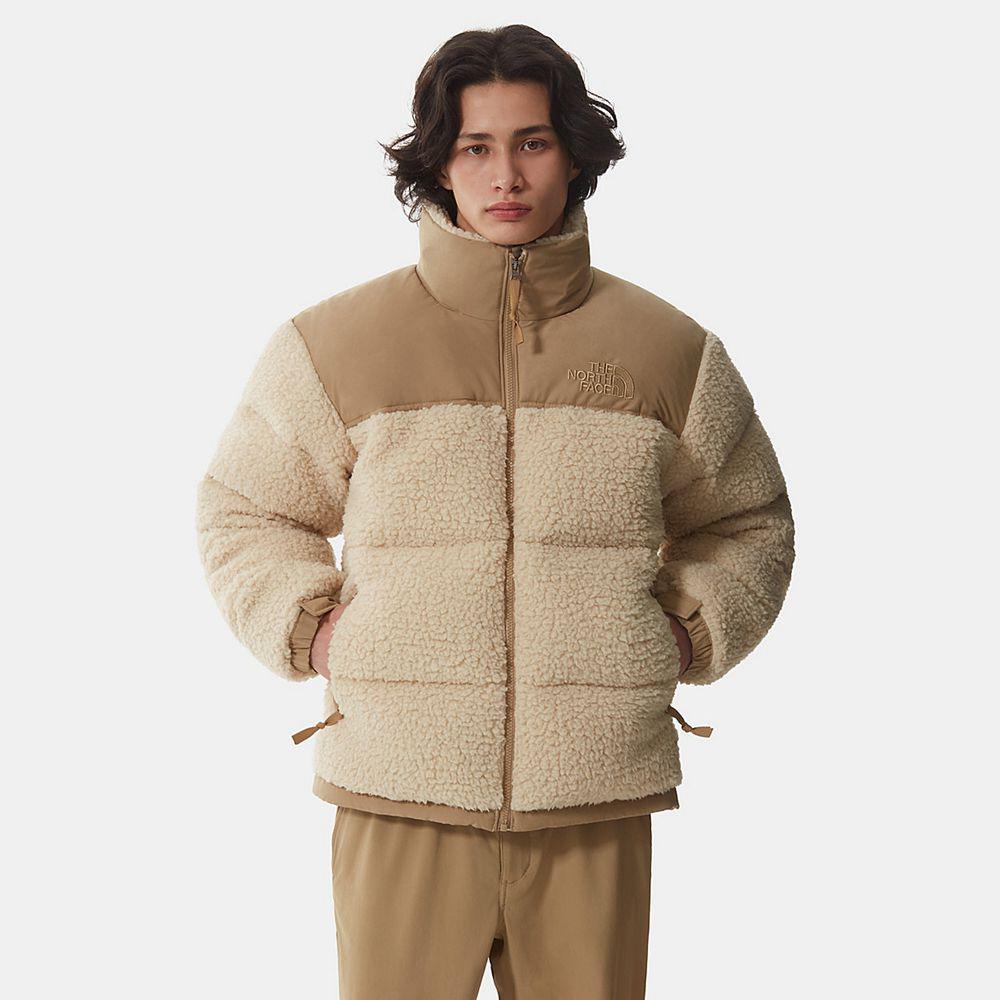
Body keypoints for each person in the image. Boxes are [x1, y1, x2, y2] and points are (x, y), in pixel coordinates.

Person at [195, 23, 795, 1000]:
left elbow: (750, 520)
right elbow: (244, 509)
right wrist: (315, 628)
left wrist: (684, 633)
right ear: (438, 162)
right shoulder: (336, 344)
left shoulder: (669, 350)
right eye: (475, 146)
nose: (505, 175)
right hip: (399, 791)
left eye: (532, 142)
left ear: (573, 155)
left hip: (593, 796)